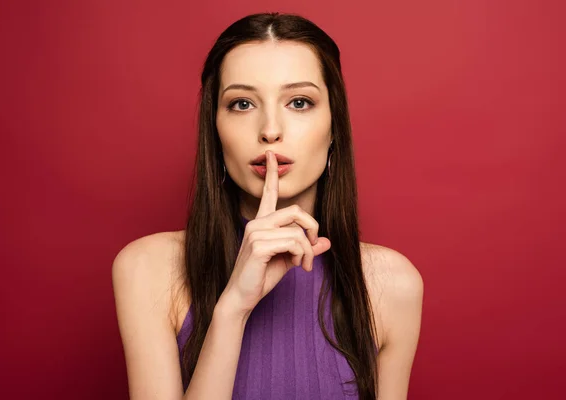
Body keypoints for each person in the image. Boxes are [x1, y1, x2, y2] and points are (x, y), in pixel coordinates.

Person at [112, 12, 423, 400]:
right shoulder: (148, 267)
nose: (270, 129)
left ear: (333, 129)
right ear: (215, 130)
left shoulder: (391, 283)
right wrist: (233, 310)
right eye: (242, 103)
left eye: (299, 101)